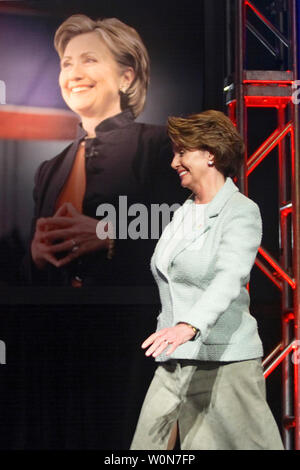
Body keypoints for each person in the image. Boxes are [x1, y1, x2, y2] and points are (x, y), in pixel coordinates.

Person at [19, 14, 185, 450]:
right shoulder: (48, 171)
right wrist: (35, 255)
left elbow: (193, 232)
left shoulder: (161, 145)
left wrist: (112, 235)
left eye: (88, 60)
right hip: (60, 348)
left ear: (126, 75)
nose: (73, 73)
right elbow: (34, 275)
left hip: (131, 343)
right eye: (66, 63)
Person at [130, 110, 284, 450]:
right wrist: (177, 331)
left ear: (210, 153)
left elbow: (230, 278)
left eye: (181, 152)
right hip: (174, 360)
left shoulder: (240, 210)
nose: (174, 162)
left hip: (224, 361)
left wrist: (189, 325)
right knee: (145, 447)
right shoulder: (185, 212)